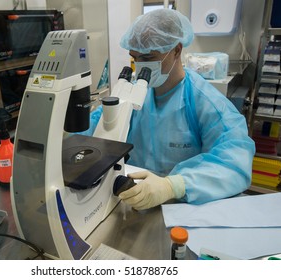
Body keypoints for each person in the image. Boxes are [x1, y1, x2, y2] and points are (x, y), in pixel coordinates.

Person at [84, 8, 255, 210]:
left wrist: (172, 186)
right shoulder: (133, 92)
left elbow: (235, 163)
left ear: (176, 50)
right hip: (132, 199)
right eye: (134, 57)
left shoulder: (204, 100)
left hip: (183, 205)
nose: (140, 67)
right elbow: (93, 128)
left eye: (148, 58)